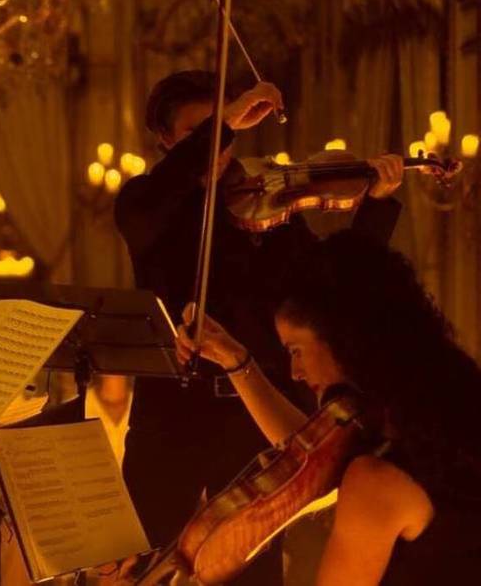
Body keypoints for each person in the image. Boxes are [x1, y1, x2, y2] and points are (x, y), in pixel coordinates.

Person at [114, 71, 405, 584]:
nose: (217, 147)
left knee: (255, 569)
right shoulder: (147, 203)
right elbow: (148, 207)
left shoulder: (270, 208)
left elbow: (329, 289)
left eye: (221, 131)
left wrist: (376, 207)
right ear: (165, 141)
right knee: (148, 563)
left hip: (255, 413)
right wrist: (224, 122)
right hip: (170, 414)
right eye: (197, 134)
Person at [170, 231, 481, 585]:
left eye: (296, 350)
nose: (295, 372)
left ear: (342, 338)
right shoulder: (448, 426)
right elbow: (312, 456)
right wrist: (237, 362)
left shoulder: (376, 481)